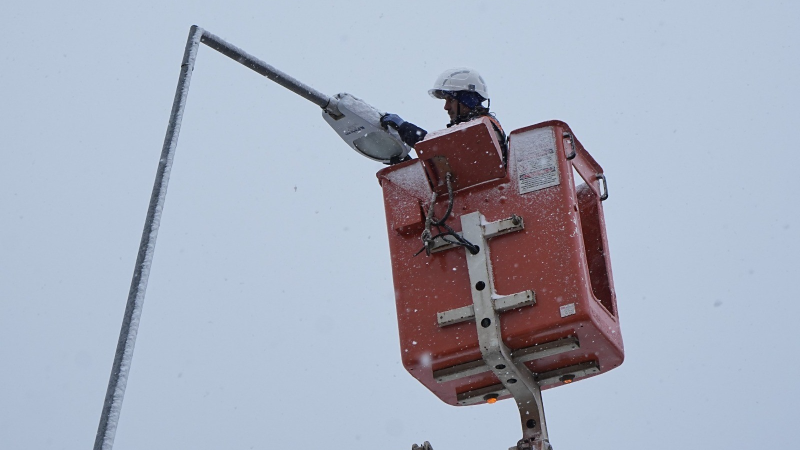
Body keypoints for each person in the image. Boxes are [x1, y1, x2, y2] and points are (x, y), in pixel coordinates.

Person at [380, 67, 507, 162]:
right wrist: (406, 162)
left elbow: (438, 150)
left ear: (467, 100)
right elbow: (452, 170)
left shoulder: (481, 127)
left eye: (450, 100)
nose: (446, 107)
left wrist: (404, 128)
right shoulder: (471, 133)